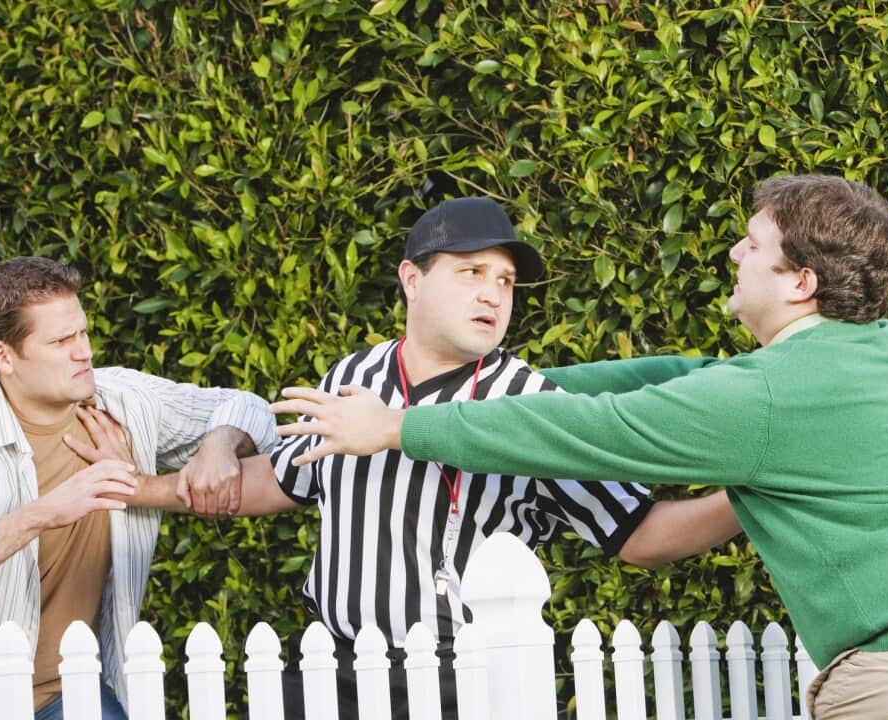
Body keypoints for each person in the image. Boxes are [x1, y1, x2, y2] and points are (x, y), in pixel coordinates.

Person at [272, 175, 888, 719]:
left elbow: (598, 433)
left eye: (752, 243)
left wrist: (401, 426)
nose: (733, 253)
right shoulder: (872, 357)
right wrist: (504, 382)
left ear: (800, 280)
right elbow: (679, 373)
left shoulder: (766, 396)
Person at [184, 197, 738, 718]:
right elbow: (282, 480)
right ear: (412, 280)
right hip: (337, 671)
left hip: (466, 681)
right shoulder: (352, 378)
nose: (493, 295)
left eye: (505, 281)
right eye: (471, 273)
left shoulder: (532, 402)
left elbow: (637, 532)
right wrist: (137, 487)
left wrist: (751, 495)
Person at [0, 257, 278, 720]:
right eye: (60, 341)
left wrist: (218, 444)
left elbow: (247, 409)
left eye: (83, 333)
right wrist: (41, 513)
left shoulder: (123, 403)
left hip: (68, 695)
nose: (84, 352)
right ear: (3, 356)